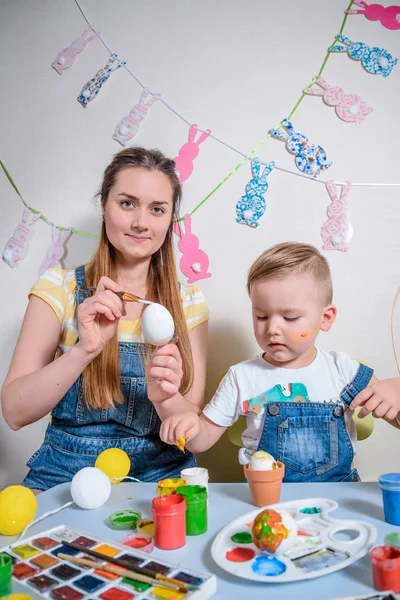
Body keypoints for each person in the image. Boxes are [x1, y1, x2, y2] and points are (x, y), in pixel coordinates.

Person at [1, 147, 209, 491]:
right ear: (103, 206)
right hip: (64, 473)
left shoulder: (189, 304)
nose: (141, 222)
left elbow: (192, 430)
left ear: (170, 219)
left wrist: (165, 397)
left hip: (160, 473)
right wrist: (84, 350)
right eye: (127, 203)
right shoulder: (60, 289)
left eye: (157, 209)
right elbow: (14, 412)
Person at [159, 242, 400, 483]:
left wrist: (396, 392)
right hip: (267, 499)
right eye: (261, 316)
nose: (272, 328)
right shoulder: (241, 377)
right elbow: (204, 439)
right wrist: (191, 425)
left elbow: (396, 418)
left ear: (325, 318)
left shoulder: (344, 371)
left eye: (290, 317)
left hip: (338, 497)